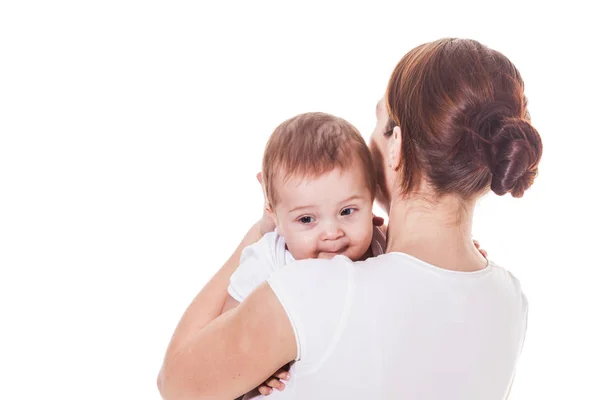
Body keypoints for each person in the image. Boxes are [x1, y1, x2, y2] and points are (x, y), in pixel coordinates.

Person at [157, 38, 542, 400]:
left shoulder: (314, 291)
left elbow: (174, 381)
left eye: (377, 121)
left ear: (396, 146)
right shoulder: (511, 300)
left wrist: (266, 227)